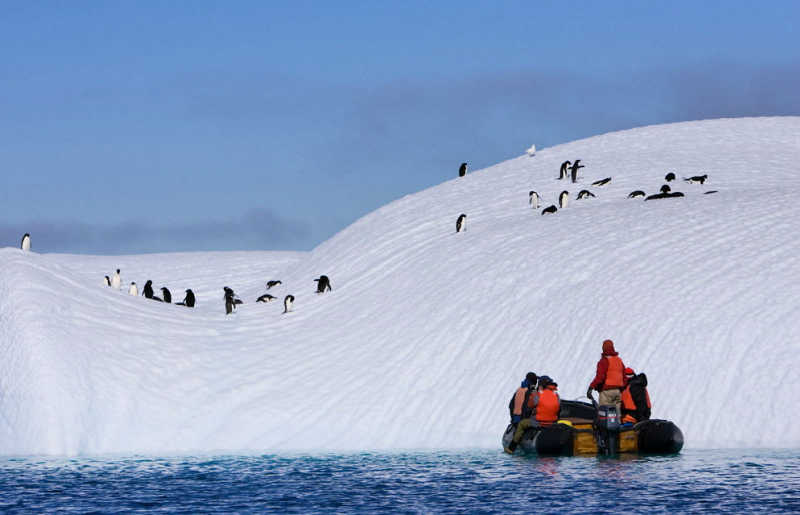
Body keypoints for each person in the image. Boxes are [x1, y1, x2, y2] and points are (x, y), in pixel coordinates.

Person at [587, 339, 627, 415]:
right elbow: (624, 377)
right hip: (618, 392)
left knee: (605, 414)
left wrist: (591, 387)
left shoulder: (604, 361)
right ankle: (617, 425)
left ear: (603, 349)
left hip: (606, 392)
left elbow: (600, 377)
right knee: (616, 415)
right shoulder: (619, 361)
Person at [505, 372, 538, 453]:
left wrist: (513, 419)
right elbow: (529, 407)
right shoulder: (530, 392)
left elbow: (511, 405)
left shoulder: (519, 389)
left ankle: (511, 447)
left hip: (515, 420)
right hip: (522, 420)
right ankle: (512, 447)